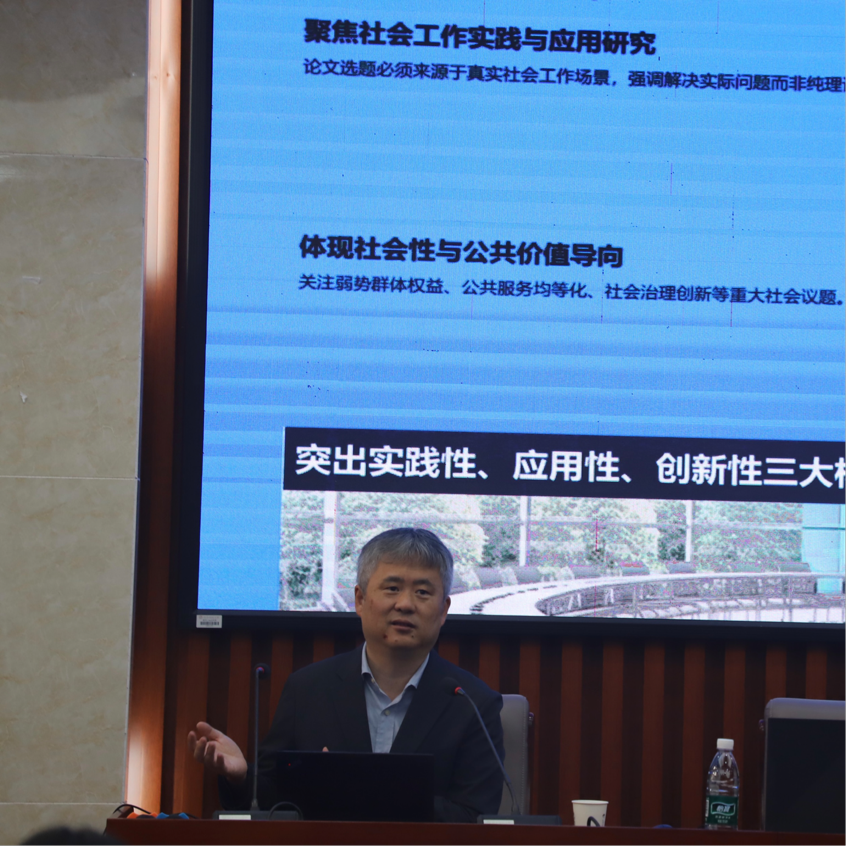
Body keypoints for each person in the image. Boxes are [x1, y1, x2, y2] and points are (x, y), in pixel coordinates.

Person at [188, 527, 504, 822]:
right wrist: (242, 776)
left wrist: (356, 787)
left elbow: (474, 816)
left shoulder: (474, 703)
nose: (405, 604)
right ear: (360, 600)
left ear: (444, 609)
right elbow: (276, 798)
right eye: (392, 588)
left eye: (422, 592)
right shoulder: (308, 689)